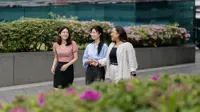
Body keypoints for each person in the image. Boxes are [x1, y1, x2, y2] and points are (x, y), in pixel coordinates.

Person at [51, 26, 78, 90]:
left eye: (67, 32)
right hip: (59, 68)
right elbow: (56, 57)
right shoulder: (55, 44)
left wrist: (67, 65)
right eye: (63, 32)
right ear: (60, 34)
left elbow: (76, 58)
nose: (65, 34)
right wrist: (53, 66)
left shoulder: (73, 43)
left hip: (69, 68)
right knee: (56, 89)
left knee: (67, 90)